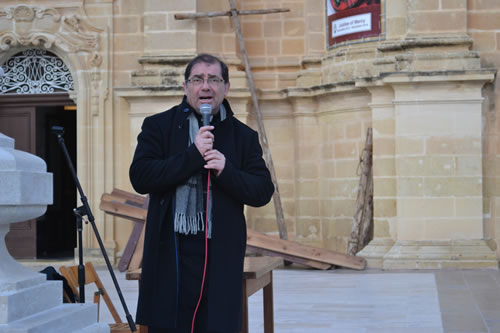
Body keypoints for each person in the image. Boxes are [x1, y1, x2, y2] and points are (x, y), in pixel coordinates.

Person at [129, 53, 274, 333]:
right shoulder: (159, 126)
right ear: (186, 87)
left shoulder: (243, 137)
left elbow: (262, 191)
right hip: (170, 253)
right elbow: (141, 177)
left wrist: (227, 171)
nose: (205, 86)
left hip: (220, 255)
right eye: (197, 79)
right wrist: (193, 155)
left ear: (226, 87)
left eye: (214, 79)